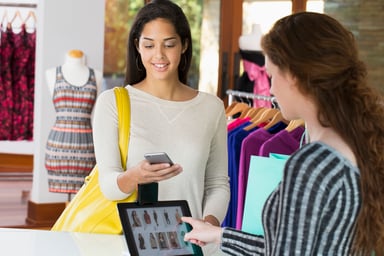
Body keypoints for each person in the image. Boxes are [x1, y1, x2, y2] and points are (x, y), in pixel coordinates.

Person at [182, 12, 384, 255]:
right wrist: (219, 235)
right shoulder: (358, 141)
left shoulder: (312, 163)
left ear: (295, 76)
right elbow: (293, 245)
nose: (271, 89)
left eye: (272, 75)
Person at [92, 0, 230, 253]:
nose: (159, 55)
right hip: (129, 245)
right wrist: (136, 176)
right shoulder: (112, 102)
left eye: (169, 44)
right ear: (137, 46)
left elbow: (218, 184)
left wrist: (207, 225)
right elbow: (109, 186)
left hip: (192, 246)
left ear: (184, 45)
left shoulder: (211, 107)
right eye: (149, 45)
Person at [45, 49, 102, 196]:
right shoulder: (52, 73)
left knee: (83, 195)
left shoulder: (96, 75)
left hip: (86, 147)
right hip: (58, 147)